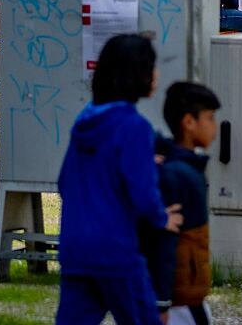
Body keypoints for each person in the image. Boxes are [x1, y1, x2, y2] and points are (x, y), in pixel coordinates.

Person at [55, 34, 180, 325]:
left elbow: (65, 182)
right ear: (137, 74)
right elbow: (144, 193)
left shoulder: (84, 121)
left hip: (75, 247)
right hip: (116, 251)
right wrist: (162, 219)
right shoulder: (134, 126)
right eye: (151, 66)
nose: (157, 74)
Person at [145, 83, 218, 325]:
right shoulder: (176, 174)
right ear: (189, 122)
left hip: (189, 297)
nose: (214, 126)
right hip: (178, 302)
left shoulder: (185, 167)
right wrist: (162, 301)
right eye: (209, 118)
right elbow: (166, 241)